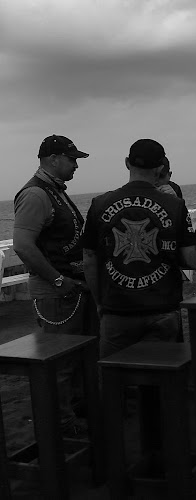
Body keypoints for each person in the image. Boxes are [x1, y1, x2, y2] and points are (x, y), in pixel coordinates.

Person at [81, 139, 196, 358]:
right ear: (161, 168)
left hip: (117, 309)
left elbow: (89, 259)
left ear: (127, 163)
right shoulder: (175, 205)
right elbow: (191, 260)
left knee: (114, 378)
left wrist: (100, 303)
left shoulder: (99, 204)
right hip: (162, 308)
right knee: (163, 377)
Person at [13, 134, 99, 436]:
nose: (76, 165)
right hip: (57, 293)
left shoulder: (52, 191)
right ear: (53, 159)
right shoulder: (37, 195)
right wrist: (58, 279)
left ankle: (73, 413)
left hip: (70, 290)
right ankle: (61, 424)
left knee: (75, 359)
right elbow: (22, 245)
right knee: (61, 363)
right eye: (72, 159)